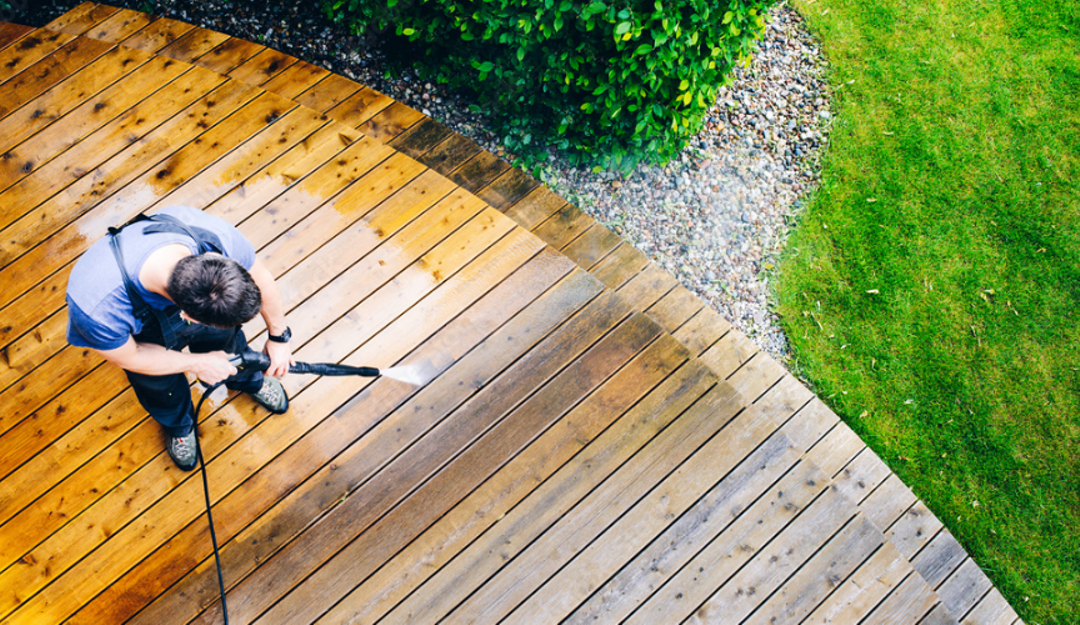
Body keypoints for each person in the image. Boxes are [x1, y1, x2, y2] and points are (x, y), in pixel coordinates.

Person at [65, 206, 294, 471]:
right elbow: (131, 357)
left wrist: (279, 337)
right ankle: (179, 424)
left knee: (229, 345)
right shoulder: (97, 307)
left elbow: (260, 277)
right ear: (189, 317)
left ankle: (248, 380)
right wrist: (196, 364)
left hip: (193, 312)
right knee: (160, 385)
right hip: (142, 341)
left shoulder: (213, 237)